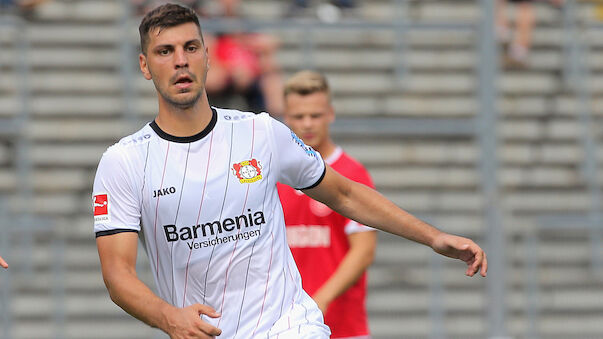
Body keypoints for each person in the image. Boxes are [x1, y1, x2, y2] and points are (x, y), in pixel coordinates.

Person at [93, 4, 487, 339]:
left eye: (190, 47)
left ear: (207, 56)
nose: (180, 60)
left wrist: (433, 236)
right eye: (165, 51)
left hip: (289, 325)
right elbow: (117, 272)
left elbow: (345, 193)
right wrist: (169, 317)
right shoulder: (124, 162)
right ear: (145, 65)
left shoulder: (260, 132)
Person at [277, 70, 376, 338]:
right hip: (284, 328)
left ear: (330, 114)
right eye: (299, 116)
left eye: (315, 115)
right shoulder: (273, 175)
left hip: (343, 327)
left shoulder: (352, 174)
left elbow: (363, 251)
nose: (307, 123)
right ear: (286, 118)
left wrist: (319, 301)